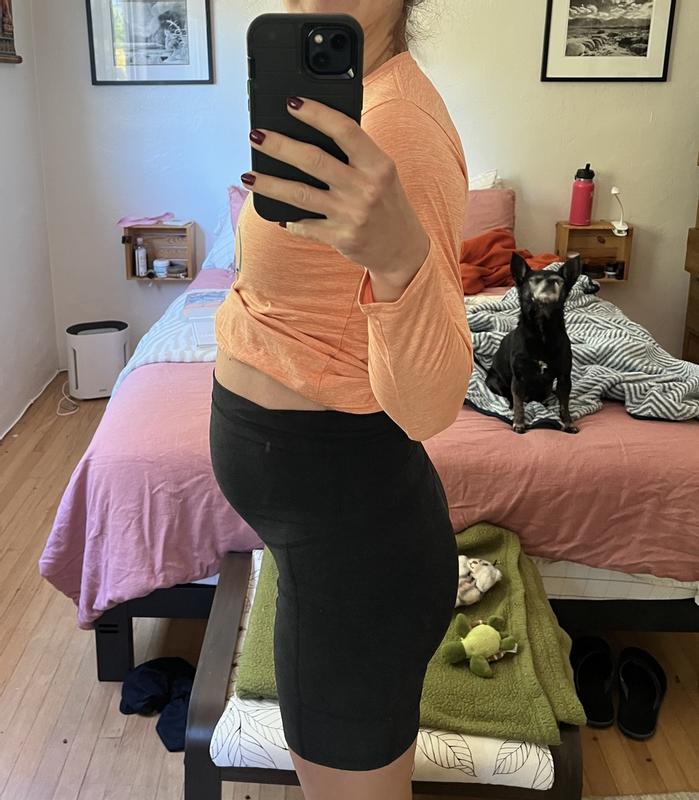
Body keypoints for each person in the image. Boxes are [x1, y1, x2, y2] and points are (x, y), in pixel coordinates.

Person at [210, 2, 473, 798]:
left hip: (357, 550)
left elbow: (428, 406)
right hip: (329, 538)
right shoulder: (345, 104)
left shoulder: (396, 129)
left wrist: (399, 263)